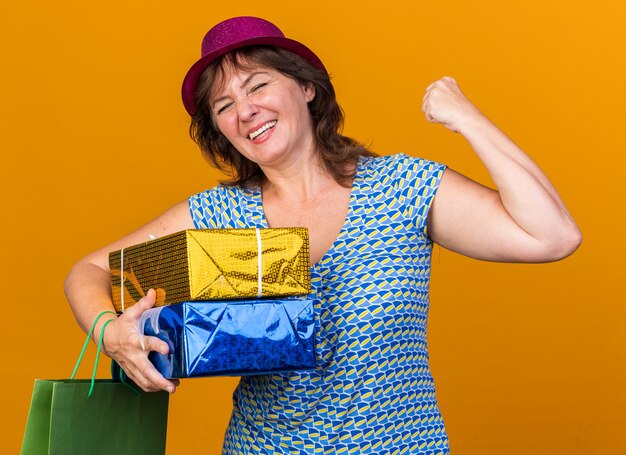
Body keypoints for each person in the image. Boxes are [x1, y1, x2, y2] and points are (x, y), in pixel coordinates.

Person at [64, 16, 581, 455]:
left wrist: (467, 119)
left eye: (258, 85)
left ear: (306, 87)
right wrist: (112, 335)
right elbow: (86, 272)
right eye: (223, 106)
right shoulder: (218, 213)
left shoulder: (400, 188)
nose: (244, 111)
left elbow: (551, 235)